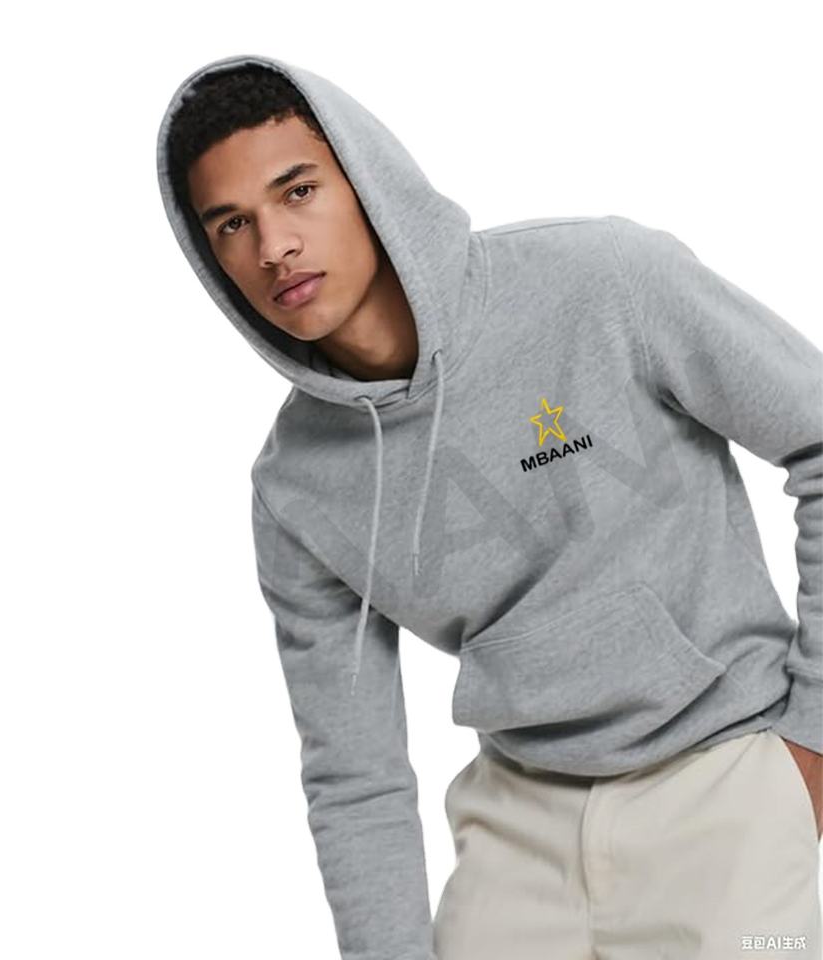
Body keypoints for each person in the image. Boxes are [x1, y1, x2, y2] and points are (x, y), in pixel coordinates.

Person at [156, 53, 823, 960]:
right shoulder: (295, 490)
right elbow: (355, 772)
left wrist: (811, 742)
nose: (273, 246)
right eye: (232, 223)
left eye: (298, 191)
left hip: (726, 781)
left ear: (368, 182)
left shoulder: (602, 281)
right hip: (515, 828)